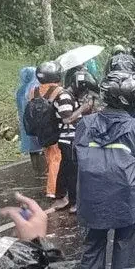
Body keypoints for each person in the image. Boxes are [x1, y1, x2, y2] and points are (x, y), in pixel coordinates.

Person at [74, 71, 135, 269]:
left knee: (93, 245)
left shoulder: (85, 123)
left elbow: (77, 156)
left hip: (91, 195)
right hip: (125, 196)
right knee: (125, 245)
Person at [51, 69, 95, 213]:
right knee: (72, 171)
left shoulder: (70, 96)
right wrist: (83, 108)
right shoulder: (64, 96)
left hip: (70, 138)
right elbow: (67, 118)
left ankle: (61, 197)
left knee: (65, 169)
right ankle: (74, 202)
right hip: (67, 139)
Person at [30, 62, 63, 199]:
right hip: (55, 129)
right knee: (57, 158)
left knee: (50, 157)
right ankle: (52, 189)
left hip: (40, 130)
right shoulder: (58, 91)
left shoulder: (34, 91)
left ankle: (53, 185)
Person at [16, 67, 46, 183]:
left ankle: (36, 170)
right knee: (40, 146)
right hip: (36, 121)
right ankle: (43, 170)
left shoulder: (20, 90)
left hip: (25, 123)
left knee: (31, 148)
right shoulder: (34, 88)